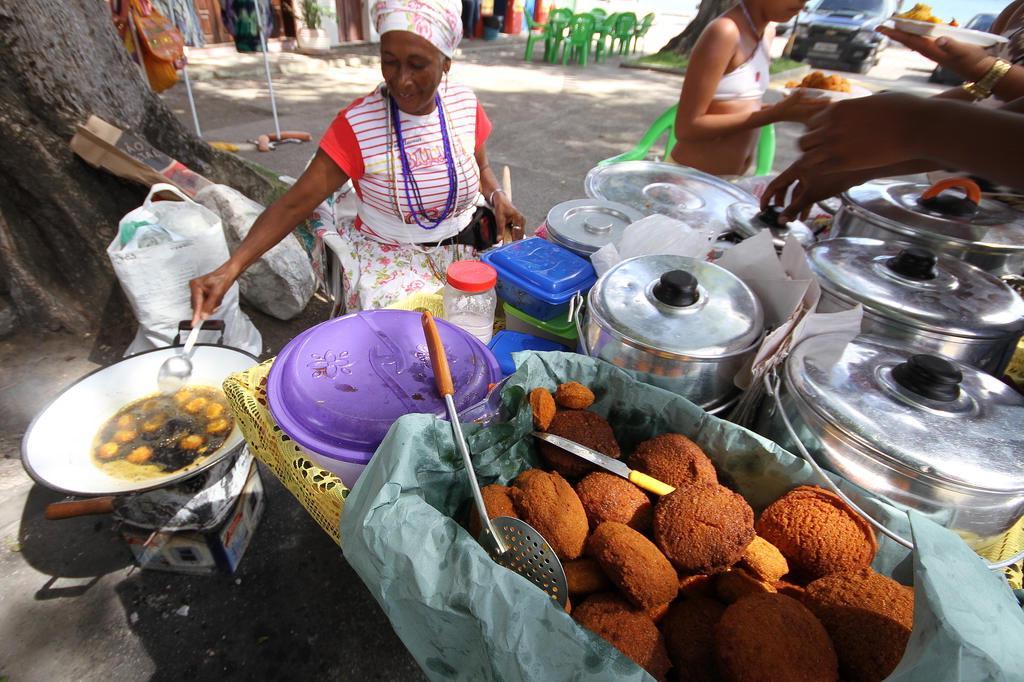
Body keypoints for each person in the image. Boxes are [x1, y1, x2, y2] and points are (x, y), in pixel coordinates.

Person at [190, 0, 525, 321]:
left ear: (446, 62)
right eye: (389, 61)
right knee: (410, 350)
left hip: (469, 253)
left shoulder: (463, 105)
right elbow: (292, 206)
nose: (401, 79)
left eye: (418, 65)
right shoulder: (357, 127)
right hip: (393, 261)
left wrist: (497, 197)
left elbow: (481, 168)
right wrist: (230, 269)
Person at [765, 0, 1024, 218]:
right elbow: (994, 108)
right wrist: (859, 164)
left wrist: (915, 126)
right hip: (949, 198)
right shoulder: (1016, 10)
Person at [671, 0, 827, 176]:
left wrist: (793, 110)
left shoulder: (767, 31)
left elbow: (738, 108)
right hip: (692, 180)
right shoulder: (726, 32)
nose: (804, 3)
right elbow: (687, 128)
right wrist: (775, 114)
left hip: (730, 181)